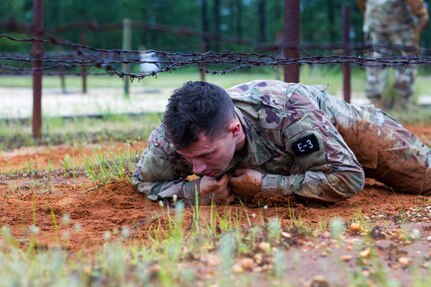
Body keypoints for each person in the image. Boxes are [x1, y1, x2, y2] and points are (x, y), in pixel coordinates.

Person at [132, 80, 431, 204]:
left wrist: (266, 186)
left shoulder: (289, 112)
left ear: (234, 130)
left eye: (206, 155)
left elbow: (349, 177)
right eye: (189, 158)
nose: (196, 166)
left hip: (343, 129)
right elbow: (144, 182)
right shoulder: (175, 137)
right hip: (290, 156)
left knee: (426, 177)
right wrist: (194, 191)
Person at [357, 0, 429, 109]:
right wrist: (421, 13)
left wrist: (368, 11)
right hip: (400, 20)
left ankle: (375, 102)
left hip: (374, 18)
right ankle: (402, 102)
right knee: (406, 59)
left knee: (376, 60)